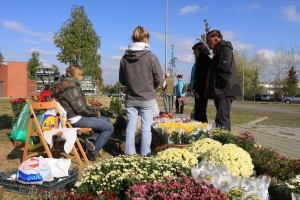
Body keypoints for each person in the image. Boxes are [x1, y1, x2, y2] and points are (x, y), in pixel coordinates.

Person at [50, 65, 114, 161]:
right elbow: (81, 109)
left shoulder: (64, 86)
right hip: (78, 119)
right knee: (109, 128)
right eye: (81, 75)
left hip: (73, 117)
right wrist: (95, 114)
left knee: (107, 120)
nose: (82, 77)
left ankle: (91, 139)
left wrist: (94, 112)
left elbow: (81, 107)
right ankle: (92, 152)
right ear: (76, 75)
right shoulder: (72, 88)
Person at [119, 25, 163, 156]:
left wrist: (132, 85)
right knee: (146, 129)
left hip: (131, 98)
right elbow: (159, 78)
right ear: (145, 40)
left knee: (130, 127)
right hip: (147, 98)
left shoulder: (124, 58)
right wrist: (151, 87)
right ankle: (145, 154)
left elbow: (122, 79)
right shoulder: (151, 57)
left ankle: (129, 153)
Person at [205, 30, 241, 131]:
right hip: (222, 90)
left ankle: (224, 143)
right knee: (220, 117)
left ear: (216, 39)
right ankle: (222, 140)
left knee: (222, 118)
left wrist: (219, 88)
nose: (207, 44)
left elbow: (225, 70)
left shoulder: (224, 49)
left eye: (209, 41)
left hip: (225, 90)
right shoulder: (219, 50)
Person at [190, 42, 211, 123]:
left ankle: (203, 130)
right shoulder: (200, 60)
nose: (193, 53)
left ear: (199, 50)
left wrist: (198, 91)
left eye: (195, 50)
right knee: (198, 112)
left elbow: (202, 77)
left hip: (202, 91)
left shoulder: (204, 61)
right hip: (200, 90)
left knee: (200, 112)